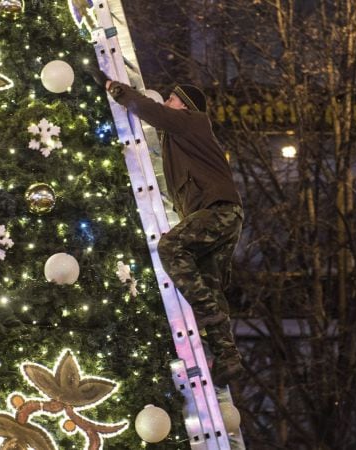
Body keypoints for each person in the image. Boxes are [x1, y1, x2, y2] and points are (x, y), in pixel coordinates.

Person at [88, 67, 245, 387]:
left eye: (172, 98)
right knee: (210, 285)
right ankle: (227, 357)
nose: (168, 101)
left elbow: (150, 110)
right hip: (221, 217)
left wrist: (114, 87)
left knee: (171, 246)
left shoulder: (192, 123)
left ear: (184, 105)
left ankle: (209, 319)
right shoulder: (181, 140)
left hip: (218, 212)